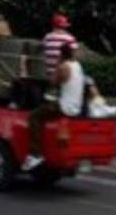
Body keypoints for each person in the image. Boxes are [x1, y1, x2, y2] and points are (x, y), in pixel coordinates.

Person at [22, 42, 84, 172]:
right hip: (77, 107)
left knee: (33, 117)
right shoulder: (78, 65)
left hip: (64, 108)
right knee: (48, 105)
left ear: (61, 54)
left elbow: (52, 82)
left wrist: (57, 65)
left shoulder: (63, 67)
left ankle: (35, 154)